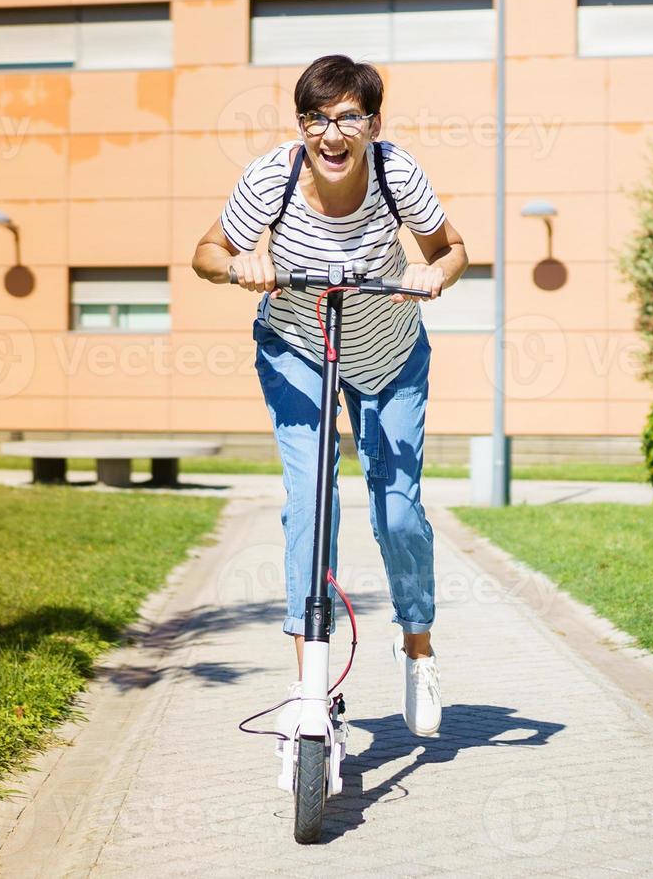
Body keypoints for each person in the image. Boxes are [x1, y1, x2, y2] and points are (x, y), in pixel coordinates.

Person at [192, 54, 469, 737]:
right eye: (315, 118)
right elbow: (203, 250)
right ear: (302, 126)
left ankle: (417, 646)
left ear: (372, 122)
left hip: (388, 354)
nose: (331, 133)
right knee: (310, 503)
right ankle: (310, 684)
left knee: (398, 516)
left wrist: (434, 275)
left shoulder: (396, 173)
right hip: (296, 348)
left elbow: (452, 248)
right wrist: (238, 265)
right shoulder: (272, 176)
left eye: (347, 116)